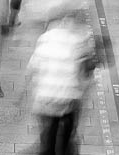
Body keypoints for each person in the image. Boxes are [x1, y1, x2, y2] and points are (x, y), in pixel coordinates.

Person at [28, 12, 97, 155]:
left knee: (48, 141)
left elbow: (32, 69)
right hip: (68, 100)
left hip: (45, 100)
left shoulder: (45, 39)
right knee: (66, 140)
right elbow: (85, 72)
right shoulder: (78, 41)